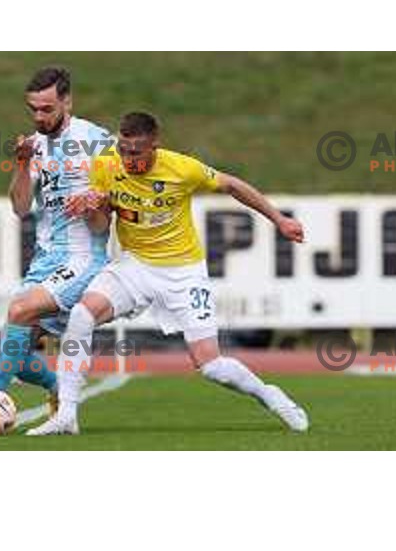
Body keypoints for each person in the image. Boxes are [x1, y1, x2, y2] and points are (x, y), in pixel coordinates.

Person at [27, 111, 309, 436]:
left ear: (154, 147)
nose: (128, 158)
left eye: (136, 152)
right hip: (133, 266)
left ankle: (271, 396)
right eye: (123, 149)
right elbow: (101, 226)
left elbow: (232, 185)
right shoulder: (105, 166)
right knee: (81, 315)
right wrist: (94, 209)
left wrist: (280, 219)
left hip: (182, 272)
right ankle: (67, 414)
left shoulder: (182, 168)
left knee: (212, 367)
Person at [0, 66, 112, 430]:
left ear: (67, 101)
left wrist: (97, 201)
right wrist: (21, 163)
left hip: (83, 257)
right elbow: (21, 207)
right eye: (33, 109)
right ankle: (56, 390)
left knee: (19, 309)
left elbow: (118, 196)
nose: (39, 116)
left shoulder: (96, 140)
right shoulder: (34, 146)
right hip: (45, 259)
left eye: (47, 108)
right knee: (16, 354)